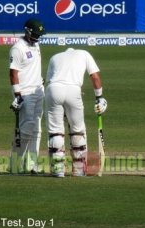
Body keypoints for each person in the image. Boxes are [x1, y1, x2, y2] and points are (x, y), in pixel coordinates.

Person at [45, 47, 107, 177]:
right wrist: (99, 98)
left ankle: (57, 170)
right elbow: (95, 77)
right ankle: (79, 170)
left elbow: (49, 81)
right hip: (73, 90)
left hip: (53, 89)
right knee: (77, 130)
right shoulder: (84, 54)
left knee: (55, 131)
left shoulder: (55, 57)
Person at [9, 18, 45, 174]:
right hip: (25, 93)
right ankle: (15, 165)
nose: (37, 37)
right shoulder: (18, 48)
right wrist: (17, 95)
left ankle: (31, 165)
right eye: (35, 34)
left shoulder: (36, 45)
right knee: (26, 128)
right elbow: (13, 73)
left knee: (37, 129)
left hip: (39, 91)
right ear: (27, 31)